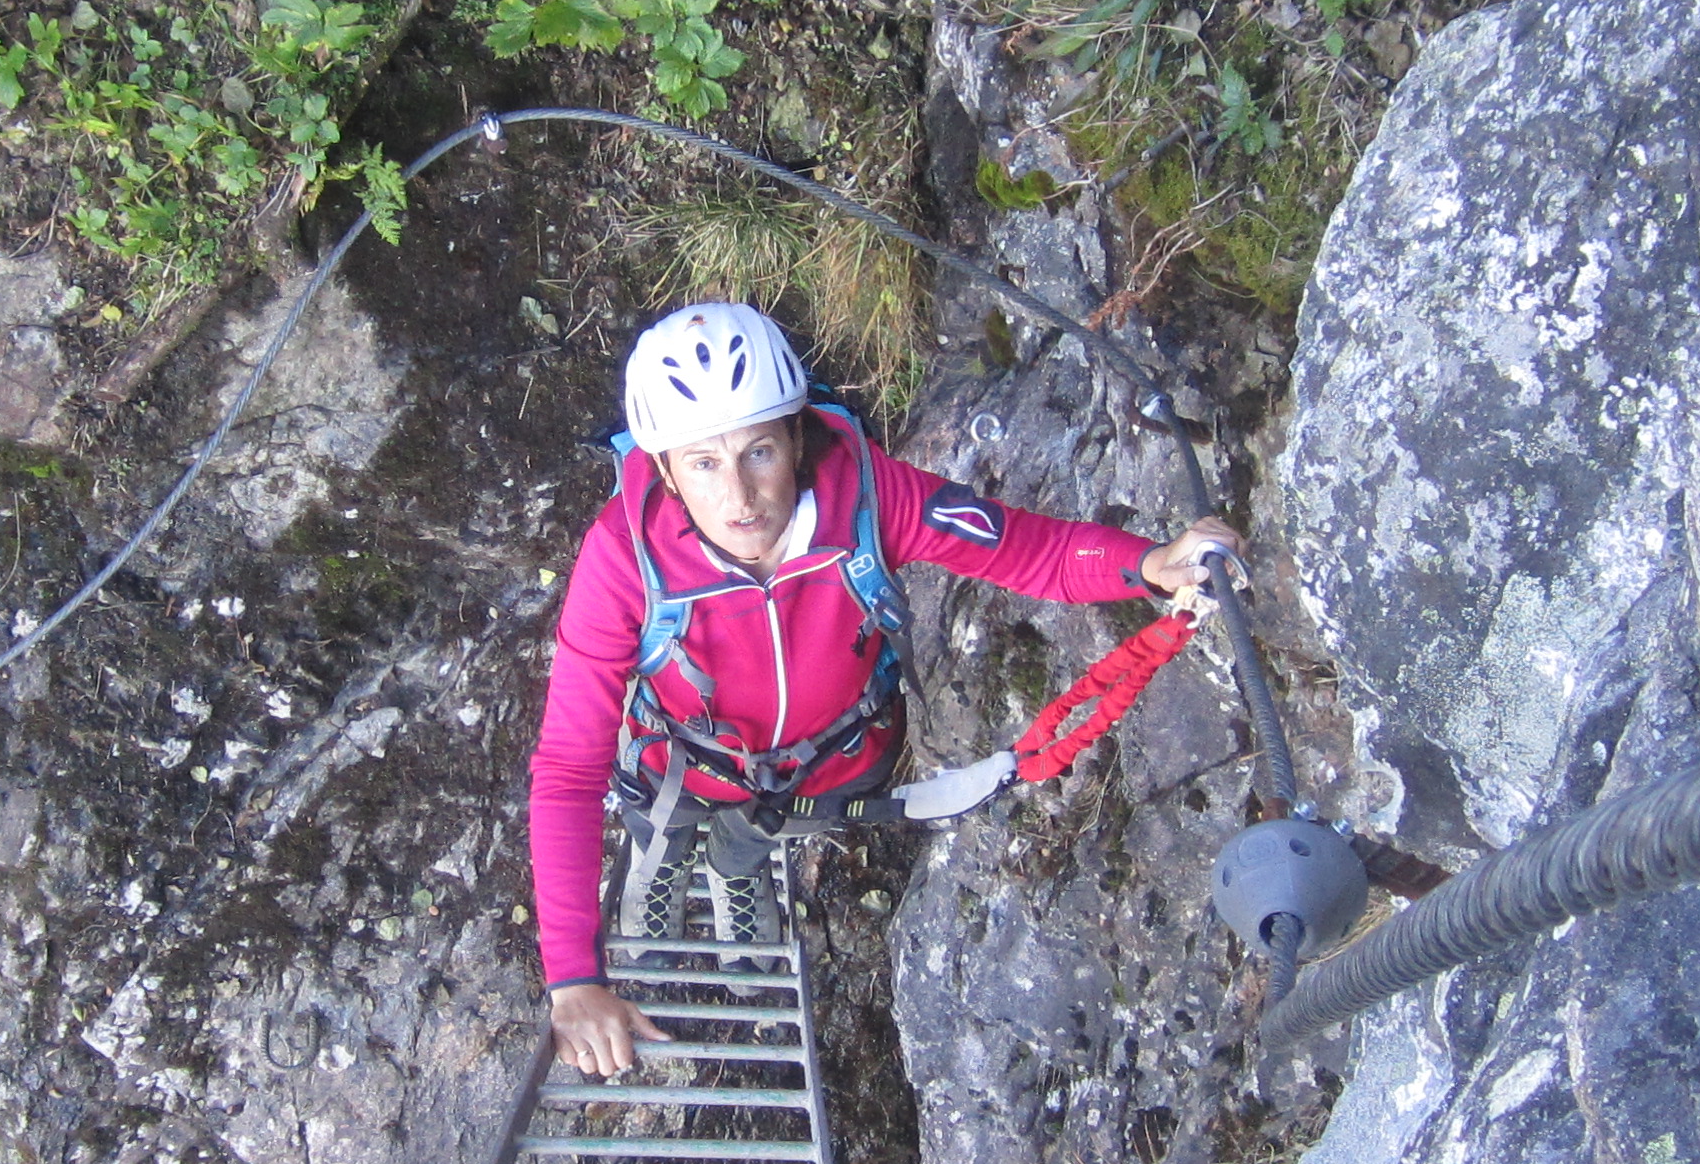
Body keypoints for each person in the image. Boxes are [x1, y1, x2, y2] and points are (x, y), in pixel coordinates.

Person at [528, 302, 1240, 1079]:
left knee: (756, 833)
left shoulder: (869, 498)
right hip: (684, 762)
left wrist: (1149, 565)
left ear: (798, 437)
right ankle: (666, 860)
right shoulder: (623, 558)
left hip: (825, 766)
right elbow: (569, 762)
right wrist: (573, 974)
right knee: (662, 824)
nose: (740, 497)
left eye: (759, 451)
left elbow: (1025, 550)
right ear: (664, 470)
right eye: (703, 464)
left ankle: (735, 869)